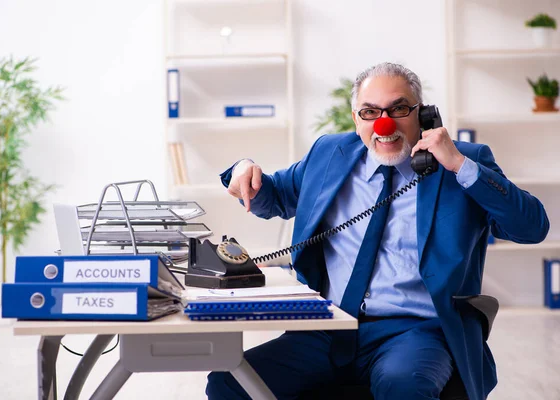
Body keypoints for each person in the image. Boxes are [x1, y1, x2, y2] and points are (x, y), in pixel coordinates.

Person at [205, 62, 549, 400]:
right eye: (370, 112)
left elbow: (531, 227)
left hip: (414, 331)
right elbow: (273, 197)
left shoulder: (462, 162)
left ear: (423, 114)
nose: (384, 123)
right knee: (228, 383)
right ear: (357, 120)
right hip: (329, 328)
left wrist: (458, 164)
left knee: (403, 387)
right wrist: (243, 169)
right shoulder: (329, 154)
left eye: (398, 108)